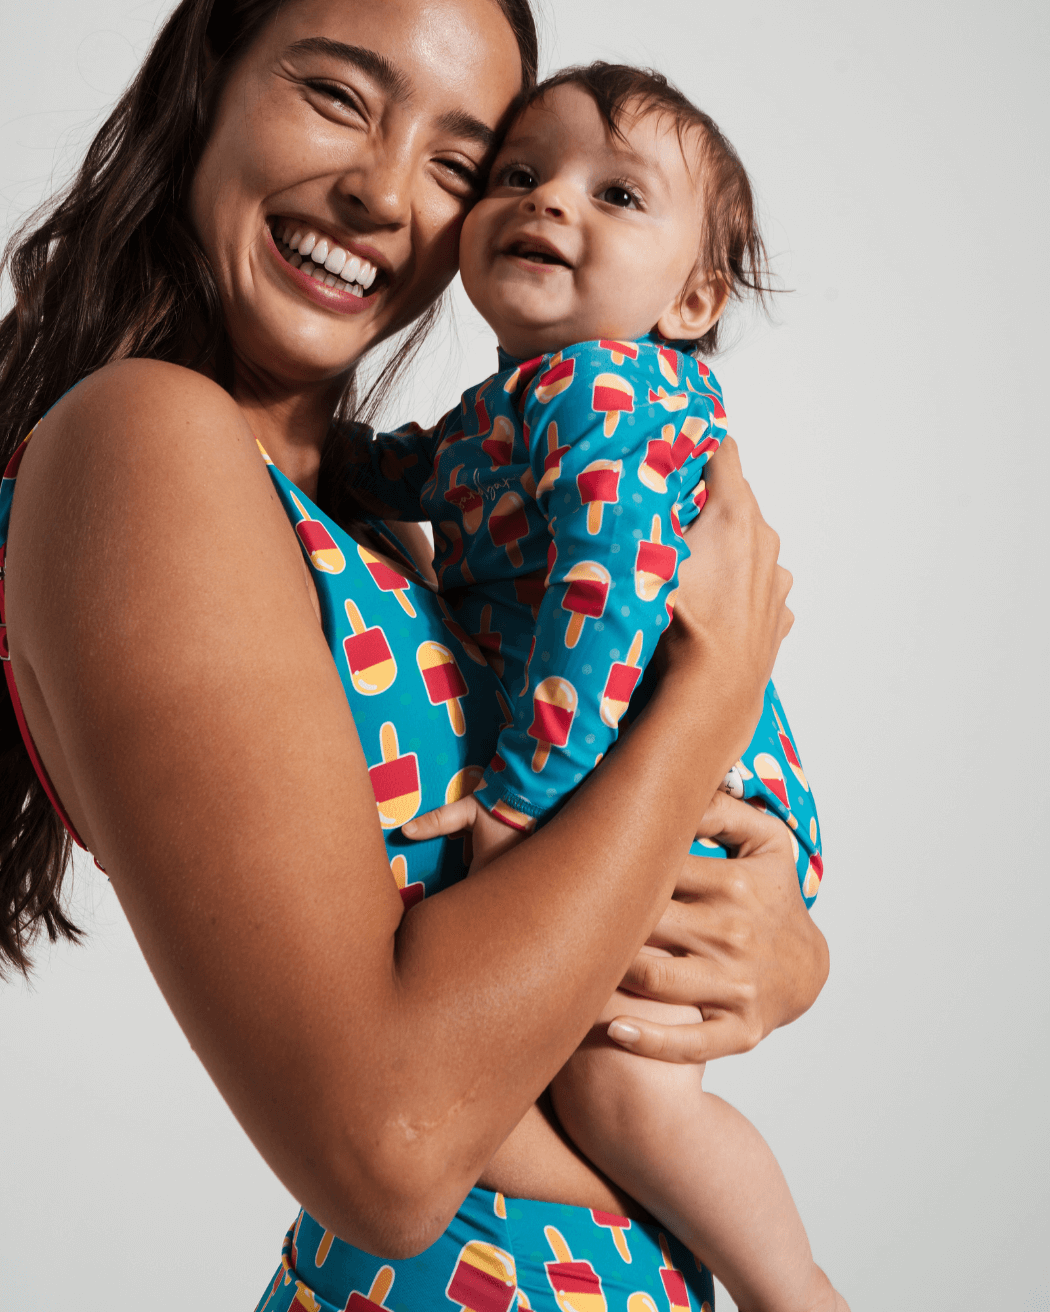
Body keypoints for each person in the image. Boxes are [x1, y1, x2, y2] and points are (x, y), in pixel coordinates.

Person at [0, 2, 829, 1308]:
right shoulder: (146, 440)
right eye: (337, 97)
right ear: (206, 89)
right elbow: (386, 1150)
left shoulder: (385, 521)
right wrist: (712, 694)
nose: (384, 195)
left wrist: (780, 955)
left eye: (456, 161)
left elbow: (553, 922)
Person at [334, 61, 842, 1312]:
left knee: (624, 1089)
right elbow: (403, 471)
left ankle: (796, 1291)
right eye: (517, 173)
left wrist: (520, 800)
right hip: (632, 761)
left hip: (688, 781)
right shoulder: (521, 397)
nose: (549, 200)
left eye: (617, 193)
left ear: (693, 296)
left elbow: (601, 609)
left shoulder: (606, 392)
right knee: (588, 1068)